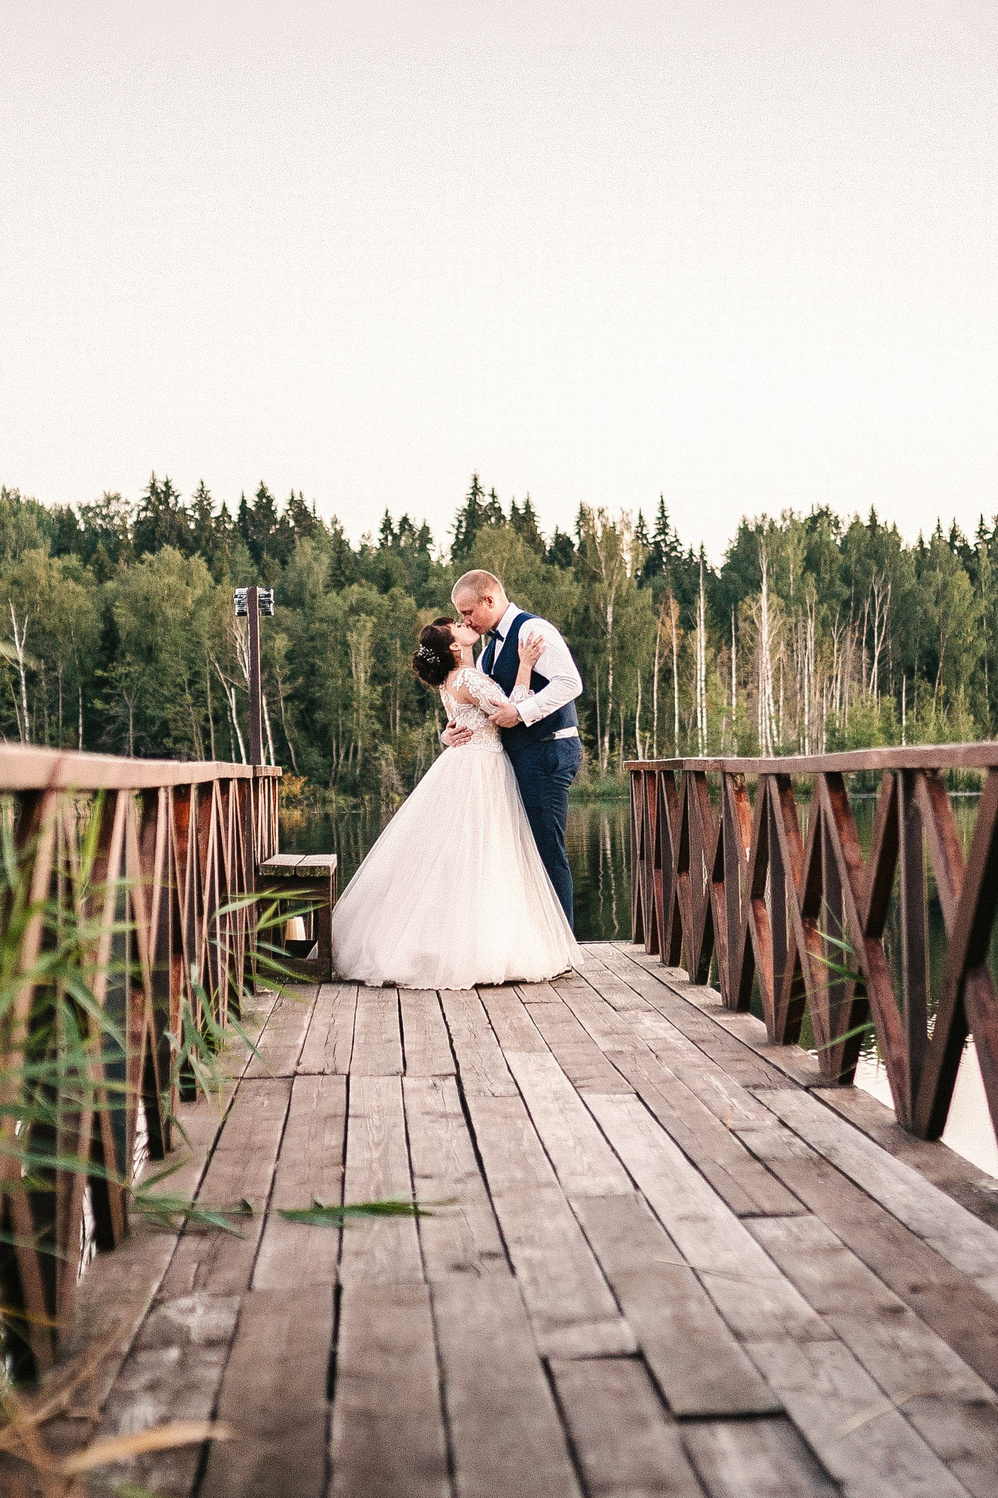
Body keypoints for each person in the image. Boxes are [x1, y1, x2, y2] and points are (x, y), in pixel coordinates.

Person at [329, 616, 583, 990]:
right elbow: (509, 714)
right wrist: (526, 667)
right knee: (484, 855)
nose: (466, 624)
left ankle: (453, 941)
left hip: (465, 763)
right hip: (482, 768)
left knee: (457, 856)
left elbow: (468, 717)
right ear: (453, 645)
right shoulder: (468, 677)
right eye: (457, 625)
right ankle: (484, 948)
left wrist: (447, 736)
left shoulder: (456, 678)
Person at [447, 570, 583, 926]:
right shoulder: (490, 649)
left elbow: (571, 683)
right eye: (461, 615)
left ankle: (563, 942)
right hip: (516, 758)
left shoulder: (533, 631)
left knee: (546, 849)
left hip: (547, 752)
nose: (465, 620)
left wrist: (522, 712)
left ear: (489, 600)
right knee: (519, 852)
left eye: (468, 612)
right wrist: (448, 734)